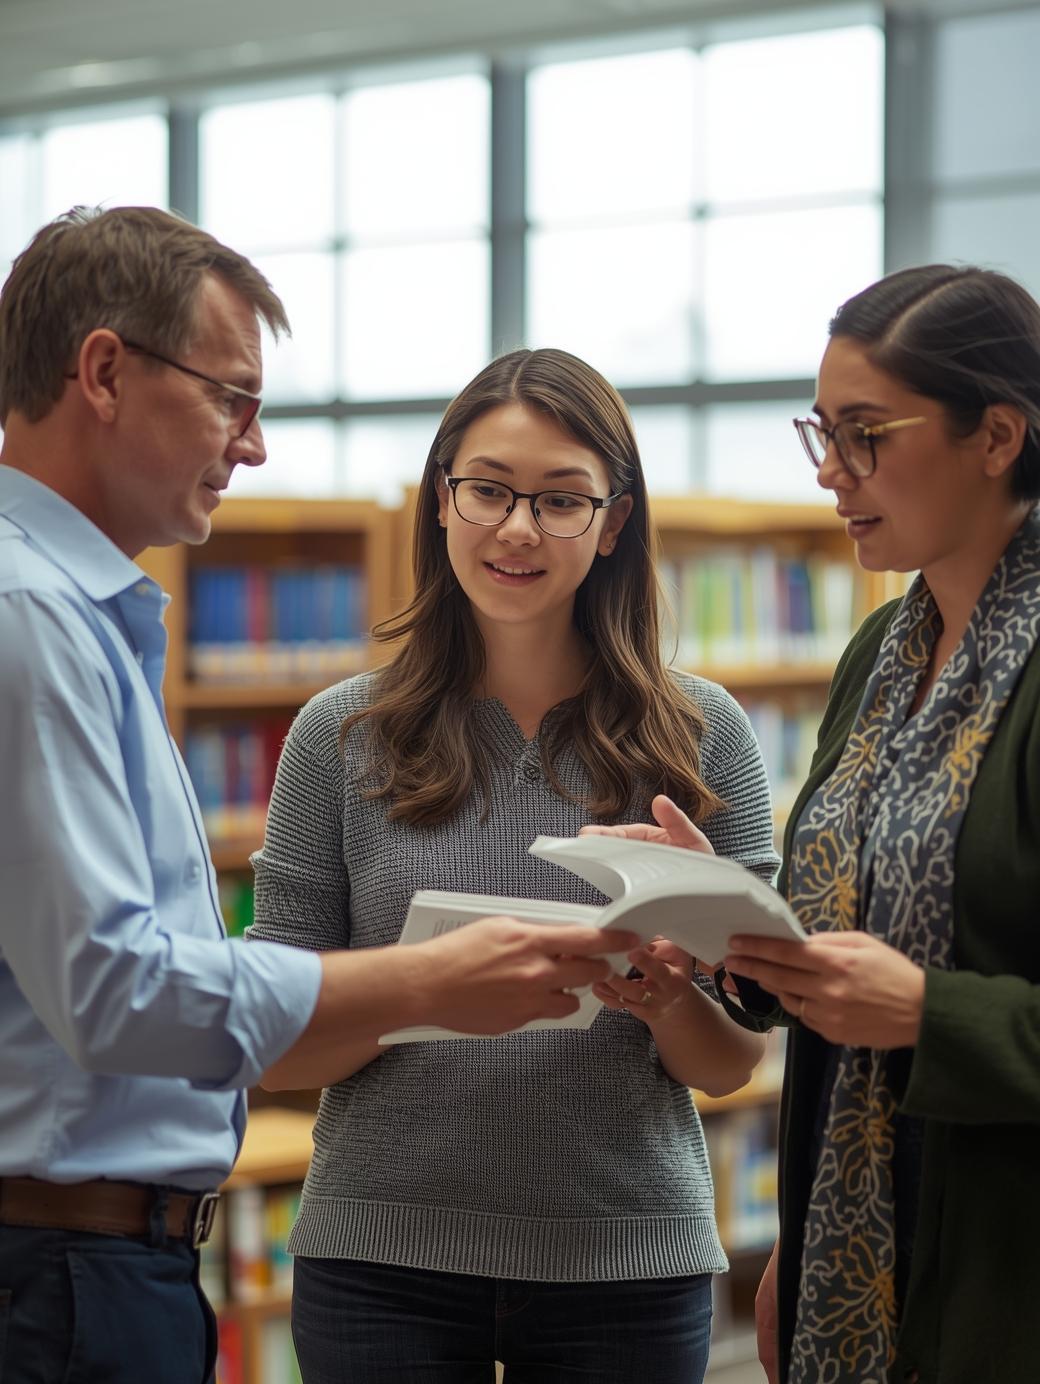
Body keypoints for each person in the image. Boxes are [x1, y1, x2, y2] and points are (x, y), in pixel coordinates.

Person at [0, 208, 634, 1384]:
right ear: (101, 371)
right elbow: (113, 986)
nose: (252, 445)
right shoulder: (32, 617)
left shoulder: (83, 615)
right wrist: (422, 978)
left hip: (94, 1261)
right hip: (61, 1270)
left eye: (563, 498)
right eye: (230, 398)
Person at [247, 345, 781, 1384]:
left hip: (623, 1261)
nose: (517, 528)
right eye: (487, 490)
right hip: (377, 1260)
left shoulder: (702, 733)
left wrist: (673, 995)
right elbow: (278, 1055)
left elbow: (728, 1065)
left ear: (613, 521)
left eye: (559, 500)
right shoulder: (335, 735)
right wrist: (418, 987)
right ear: (439, 500)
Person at [599, 263, 1040, 1384]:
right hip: (857, 1231)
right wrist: (731, 920)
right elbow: (849, 945)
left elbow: (915, 991)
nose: (829, 475)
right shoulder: (881, 655)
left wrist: (930, 1016)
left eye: (864, 435)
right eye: (818, 432)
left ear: (996, 434)